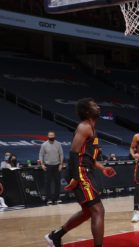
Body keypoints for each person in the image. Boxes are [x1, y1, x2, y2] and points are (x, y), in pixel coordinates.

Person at [45, 98, 116, 247]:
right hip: (81, 173)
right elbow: (73, 154)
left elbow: (88, 158)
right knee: (98, 210)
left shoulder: (93, 129)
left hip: (87, 171)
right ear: (87, 111)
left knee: (88, 211)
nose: (97, 106)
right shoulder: (84, 126)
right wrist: (76, 178)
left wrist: (103, 168)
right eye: (93, 105)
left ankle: (56, 236)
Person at [39, 131, 64, 205]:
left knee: (57, 182)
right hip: (48, 165)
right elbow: (41, 155)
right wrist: (42, 164)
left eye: (52, 135)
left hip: (57, 165)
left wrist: (61, 164)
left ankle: (57, 198)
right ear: (47, 136)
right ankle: (48, 199)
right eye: (50, 135)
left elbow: (61, 154)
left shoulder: (58, 144)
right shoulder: (44, 145)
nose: (51, 136)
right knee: (47, 183)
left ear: (54, 136)